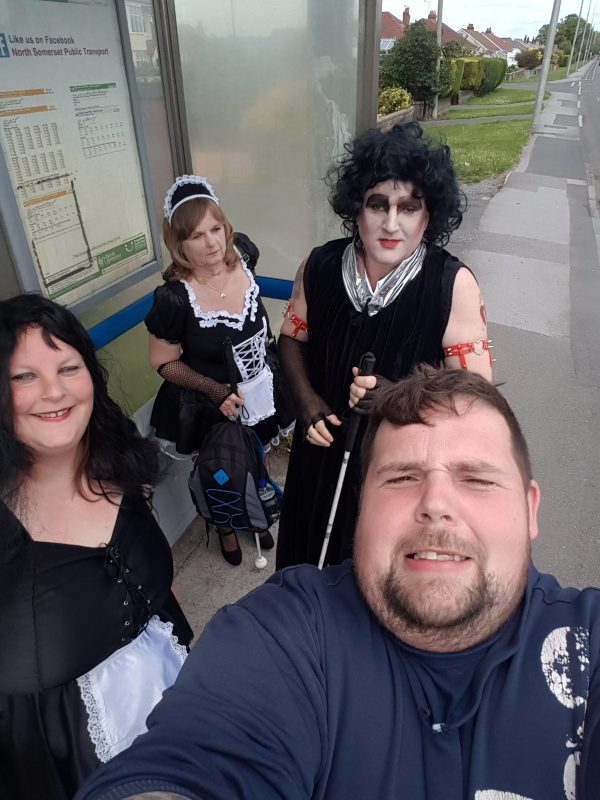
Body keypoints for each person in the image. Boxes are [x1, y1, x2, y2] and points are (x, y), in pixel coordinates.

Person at [74, 366, 600, 800]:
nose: (436, 504)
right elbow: (197, 760)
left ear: (530, 509)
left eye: (477, 478)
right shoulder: (285, 635)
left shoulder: (588, 648)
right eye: (401, 477)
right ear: (361, 507)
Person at [0, 294, 193, 800]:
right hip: (60, 768)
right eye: (23, 377)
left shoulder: (119, 466)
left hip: (173, 713)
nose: (53, 391)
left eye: (68, 367)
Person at [276, 121, 493, 569]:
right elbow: (292, 339)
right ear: (357, 209)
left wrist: (398, 397)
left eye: (408, 207)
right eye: (378, 205)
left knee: (374, 586)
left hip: (399, 473)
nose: (392, 223)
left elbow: (476, 400)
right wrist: (307, 400)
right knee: (302, 573)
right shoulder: (318, 265)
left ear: (428, 215)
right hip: (317, 458)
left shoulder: (454, 286)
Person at [145, 175, 293, 565]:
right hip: (210, 401)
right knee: (219, 469)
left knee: (256, 456)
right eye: (196, 236)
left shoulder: (244, 254)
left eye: (216, 228)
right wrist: (213, 389)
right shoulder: (175, 299)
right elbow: (163, 362)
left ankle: (257, 512)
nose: (212, 243)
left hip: (260, 386)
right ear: (179, 245)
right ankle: (225, 526)